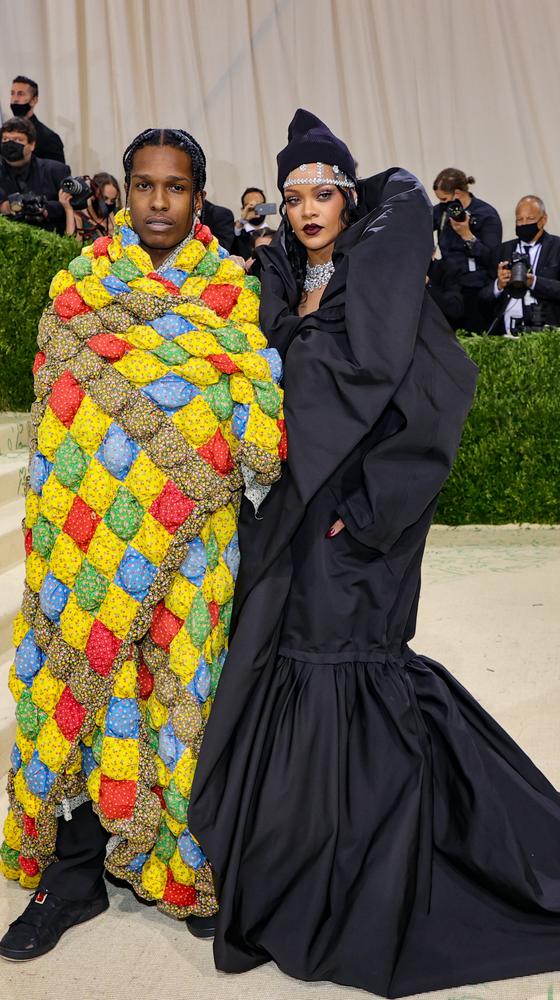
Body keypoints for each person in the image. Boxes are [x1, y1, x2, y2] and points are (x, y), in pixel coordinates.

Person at [189, 109, 560, 999]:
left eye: (323, 191)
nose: (306, 208)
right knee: (291, 669)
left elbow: (441, 401)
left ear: (348, 196)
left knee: (350, 674)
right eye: (291, 196)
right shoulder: (278, 291)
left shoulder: (383, 284)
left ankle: (368, 869)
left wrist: (365, 518)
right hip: (290, 525)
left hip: (359, 533)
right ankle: (297, 862)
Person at [0, 127, 285, 961]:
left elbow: (254, 396)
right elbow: (57, 407)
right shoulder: (80, 288)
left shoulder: (230, 292)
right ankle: (77, 869)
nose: (159, 201)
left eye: (177, 187)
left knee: (186, 685)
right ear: (122, 191)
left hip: (194, 542)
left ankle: (179, 859)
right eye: (145, 185)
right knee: (87, 684)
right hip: (89, 538)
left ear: (200, 197)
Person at [482, 195, 560, 334]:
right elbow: (483, 295)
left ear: (544, 220)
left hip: (550, 328)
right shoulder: (502, 250)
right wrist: (498, 285)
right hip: (507, 330)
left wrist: (534, 282)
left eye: (530, 219)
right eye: (519, 220)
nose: (524, 224)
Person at [432, 167, 502, 332]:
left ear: (457, 193)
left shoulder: (486, 214)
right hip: (450, 287)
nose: (442, 204)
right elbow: (418, 229)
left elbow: (492, 258)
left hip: (476, 289)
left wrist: (467, 235)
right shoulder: (440, 212)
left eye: (444, 199)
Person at [0, 116, 70, 233]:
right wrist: (5, 207)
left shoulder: (56, 170)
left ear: (32, 145)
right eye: (5, 139)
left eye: (17, 140)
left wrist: (44, 209)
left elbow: (71, 206)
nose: (10, 144)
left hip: (50, 241)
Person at [9, 75, 66, 164]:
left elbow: (58, 174)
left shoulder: (49, 138)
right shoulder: (5, 134)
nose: (15, 99)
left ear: (34, 100)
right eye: (12, 93)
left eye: (20, 94)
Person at [59, 172, 121, 243]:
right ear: (93, 194)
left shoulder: (117, 215)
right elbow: (72, 246)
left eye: (113, 200)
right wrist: (68, 210)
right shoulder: (80, 217)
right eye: (104, 198)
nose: (108, 203)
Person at [231, 186, 274, 259]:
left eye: (259, 206)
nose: (255, 209)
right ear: (243, 210)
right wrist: (242, 221)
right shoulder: (237, 236)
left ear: (266, 208)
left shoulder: (276, 235)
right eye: (249, 206)